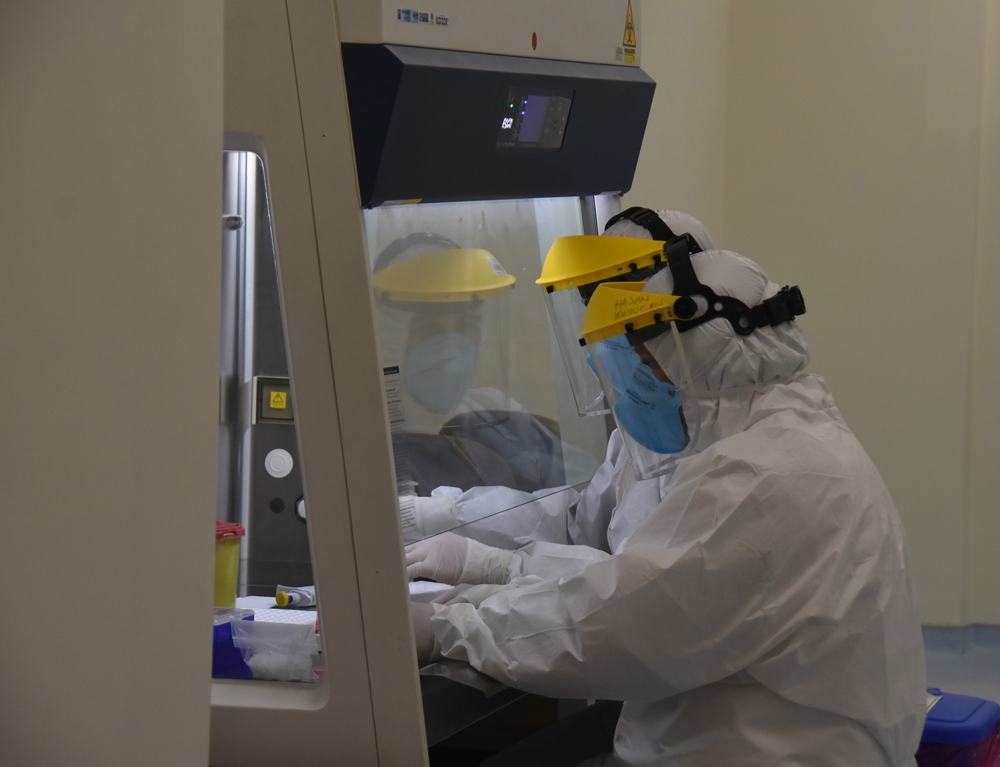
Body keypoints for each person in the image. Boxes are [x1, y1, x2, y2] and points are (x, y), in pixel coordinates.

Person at [407, 233, 927, 765]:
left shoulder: (754, 478)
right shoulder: (787, 435)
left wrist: (450, 628)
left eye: (643, 363)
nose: (635, 385)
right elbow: (645, 583)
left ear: (694, 356)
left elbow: (616, 629)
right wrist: (494, 572)